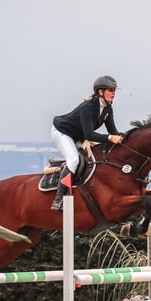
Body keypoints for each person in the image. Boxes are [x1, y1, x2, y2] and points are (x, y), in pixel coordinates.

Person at [50, 75, 124, 210]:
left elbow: (113, 131)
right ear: (100, 92)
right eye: (110, 90)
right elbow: (89, 135)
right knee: (73, 160)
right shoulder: (88, 107)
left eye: (114, 90)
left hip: (77, 135)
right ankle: (58, 199)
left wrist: (126, 137)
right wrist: (109, 138)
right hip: (62, 132)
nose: (113, 93)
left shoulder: (107, 108)